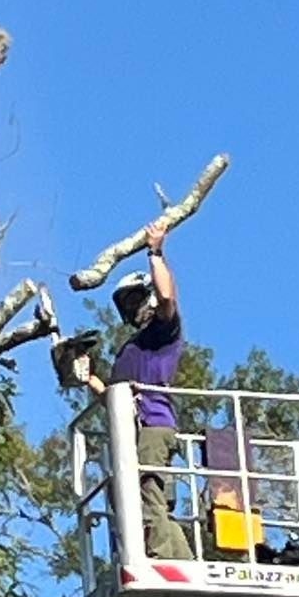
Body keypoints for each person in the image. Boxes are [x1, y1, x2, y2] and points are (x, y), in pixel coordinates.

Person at [86, 222, 192, 561]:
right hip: (132, 429)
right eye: (126, 304)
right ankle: (180, 560)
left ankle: (162, 559)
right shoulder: (129, 352)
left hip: (154, 424)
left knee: (147, 489)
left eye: (134, 299)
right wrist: (88, 377)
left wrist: (155, 252)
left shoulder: (161, 332)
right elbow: (112, 400)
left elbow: (167, 297)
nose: (132, 309)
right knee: (143, 497)